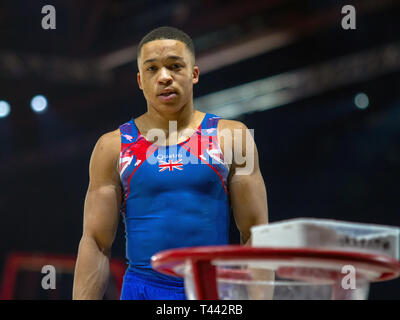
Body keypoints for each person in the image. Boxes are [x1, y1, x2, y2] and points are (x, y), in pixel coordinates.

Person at [73, 26, 269, 300]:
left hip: (213, 291)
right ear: (140, 80)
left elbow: (254, 233)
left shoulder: (232, 138)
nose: (164, 77)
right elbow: (95, 242)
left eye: (175, 66)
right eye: (152, 69)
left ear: (194, 73)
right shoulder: (112, 146)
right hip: (142, 290)